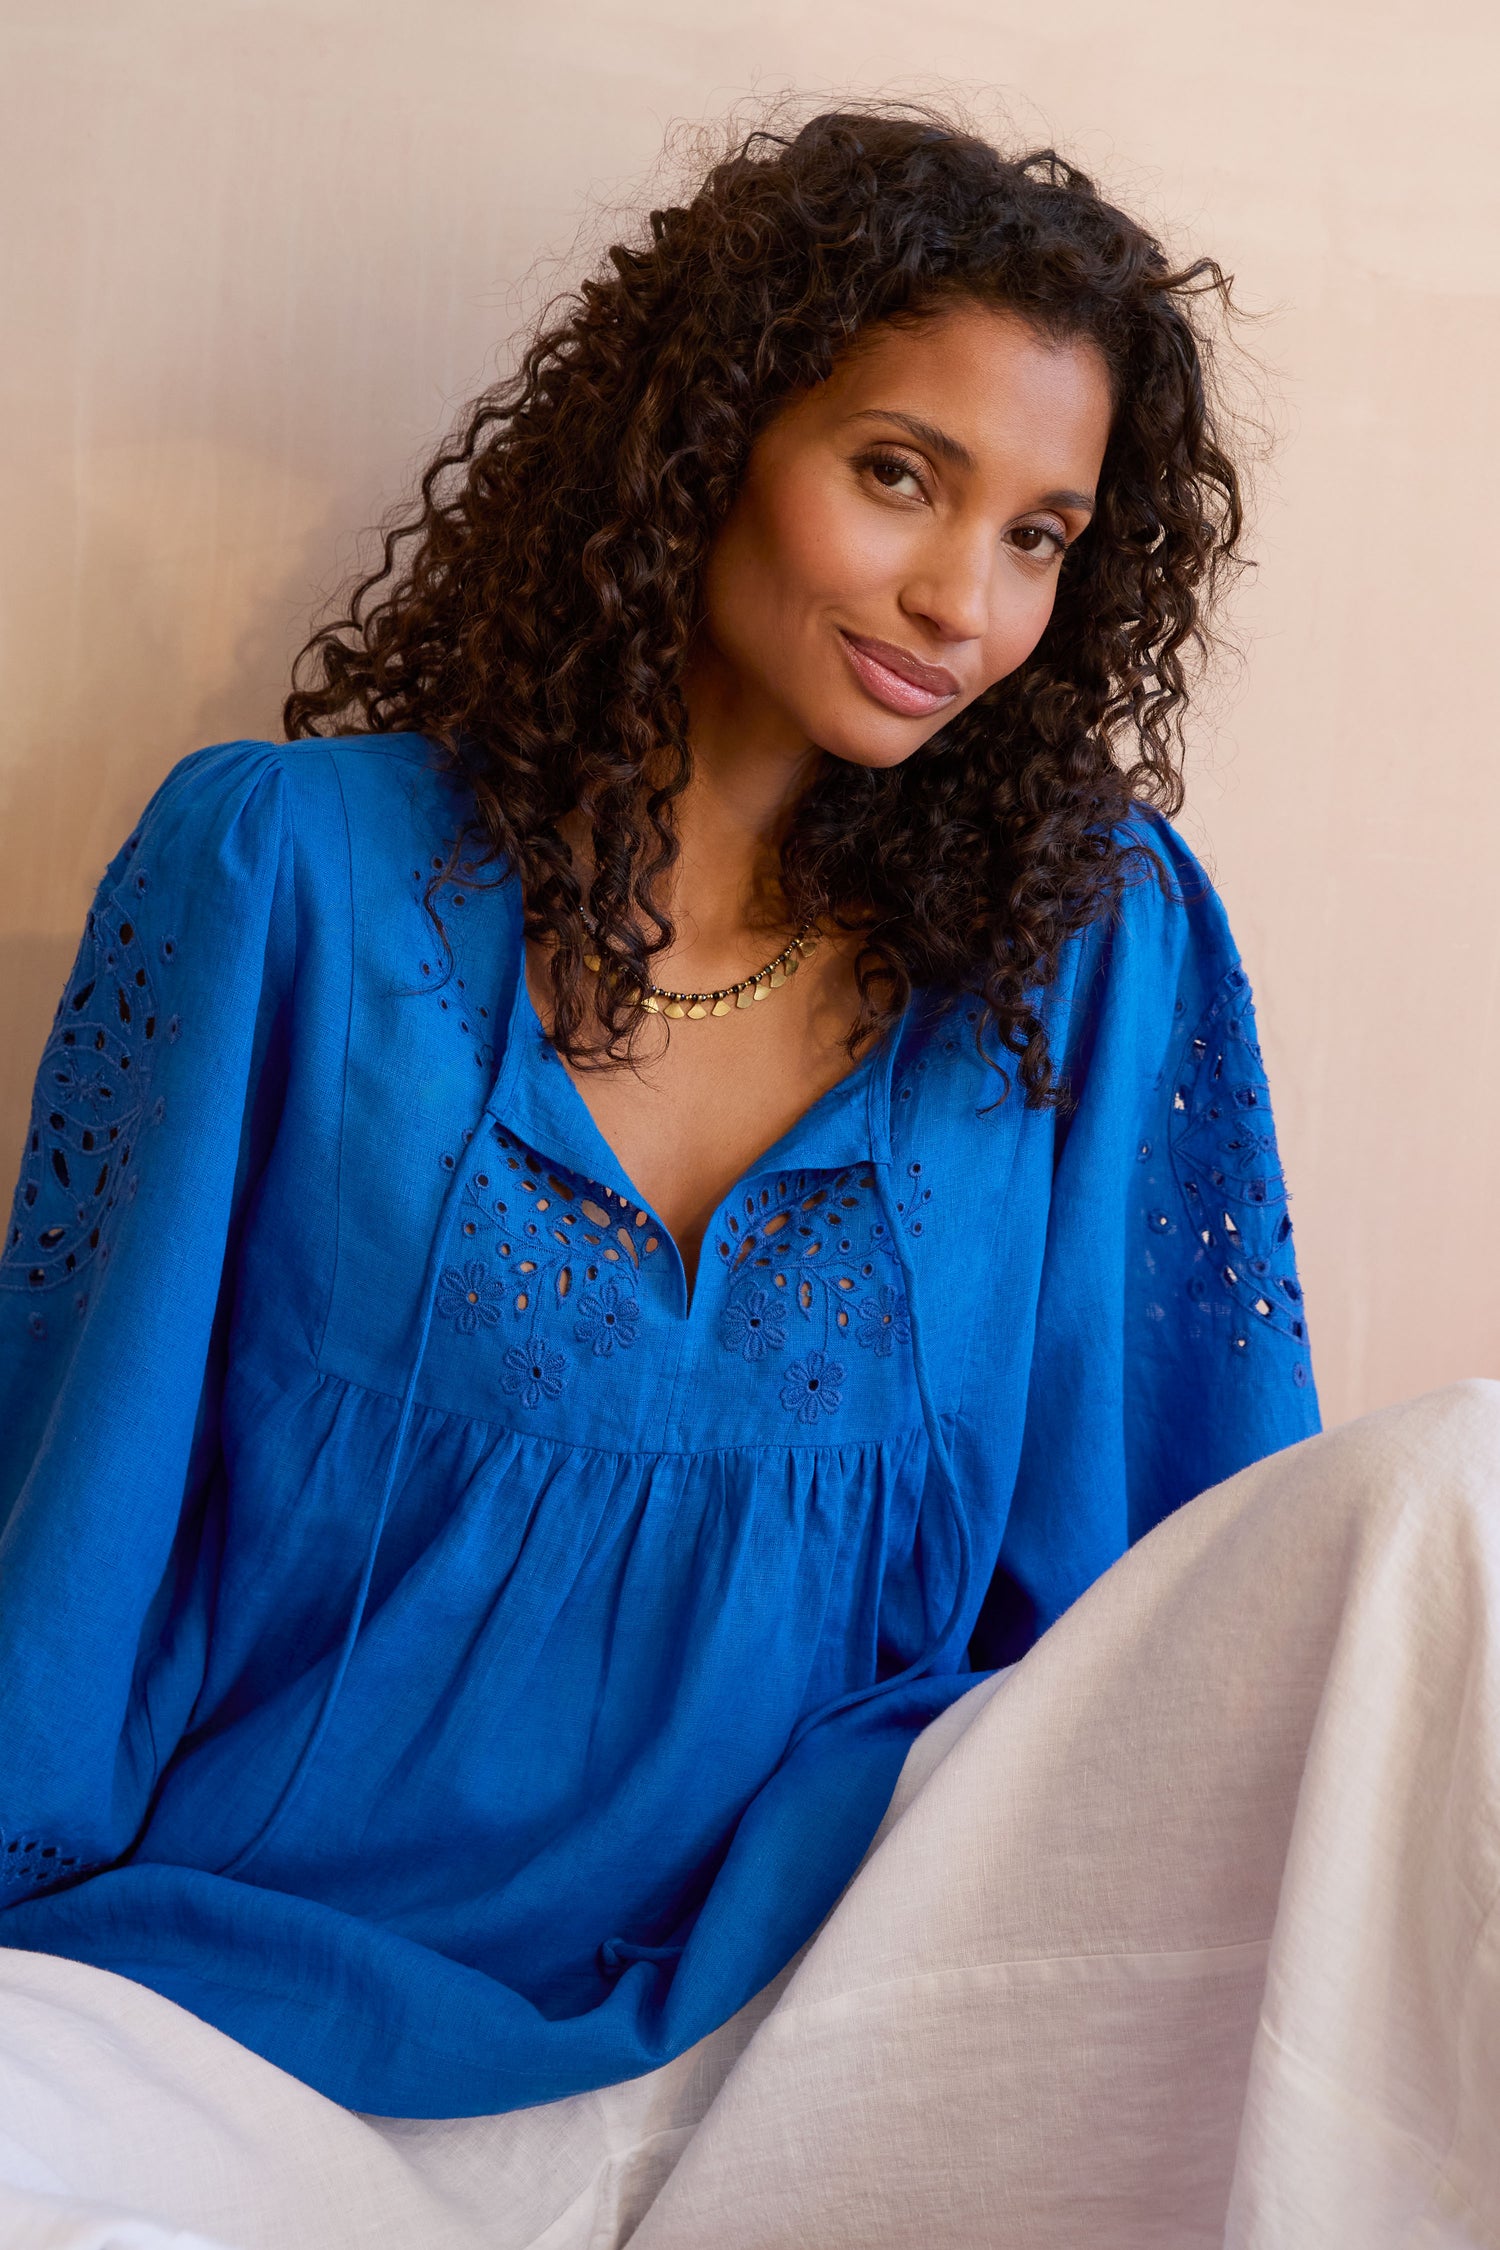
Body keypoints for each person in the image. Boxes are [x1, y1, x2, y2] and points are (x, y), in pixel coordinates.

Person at [0, 107, 1494, 2250]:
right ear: (702, 439)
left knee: (1470, 1495)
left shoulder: (1091, 956)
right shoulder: (286, 881)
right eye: (900, 471)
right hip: (254, 2032)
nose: (962, 602)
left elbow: (1194, 1584)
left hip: (842, 2015)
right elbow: (76, 1497)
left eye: (1043, 537)